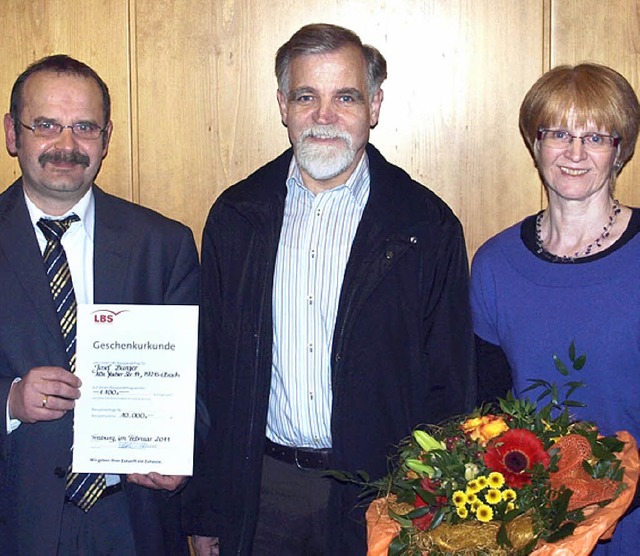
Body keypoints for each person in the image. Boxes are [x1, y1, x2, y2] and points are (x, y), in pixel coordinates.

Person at [184, 23, 475, 555]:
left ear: (375, 106)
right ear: (282, 105)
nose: (324, 116)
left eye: (345, 97)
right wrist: (209, 508)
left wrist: (433, 513)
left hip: (384, 496)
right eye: (306, 96)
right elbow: (212, 378)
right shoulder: (236, 217)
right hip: (263, 491)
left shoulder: (425, 226)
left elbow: (450, 387)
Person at [0, 55, 199, 555]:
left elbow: (200, 382)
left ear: (106, 138)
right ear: (12, 134)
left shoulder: (164, 245)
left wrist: (179, 450)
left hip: (132, 521)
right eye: (46, 125)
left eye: (84, 127)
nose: (66, 145)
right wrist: (10, 400)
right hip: (13, 520)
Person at [470, 63, 640, 553]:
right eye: (558, 133)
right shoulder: (495, 264)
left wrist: (611, 502)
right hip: (533, 528)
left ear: (620, 150)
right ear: (534, 142)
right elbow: (489, 413)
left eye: (596, 137)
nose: (574, 153)